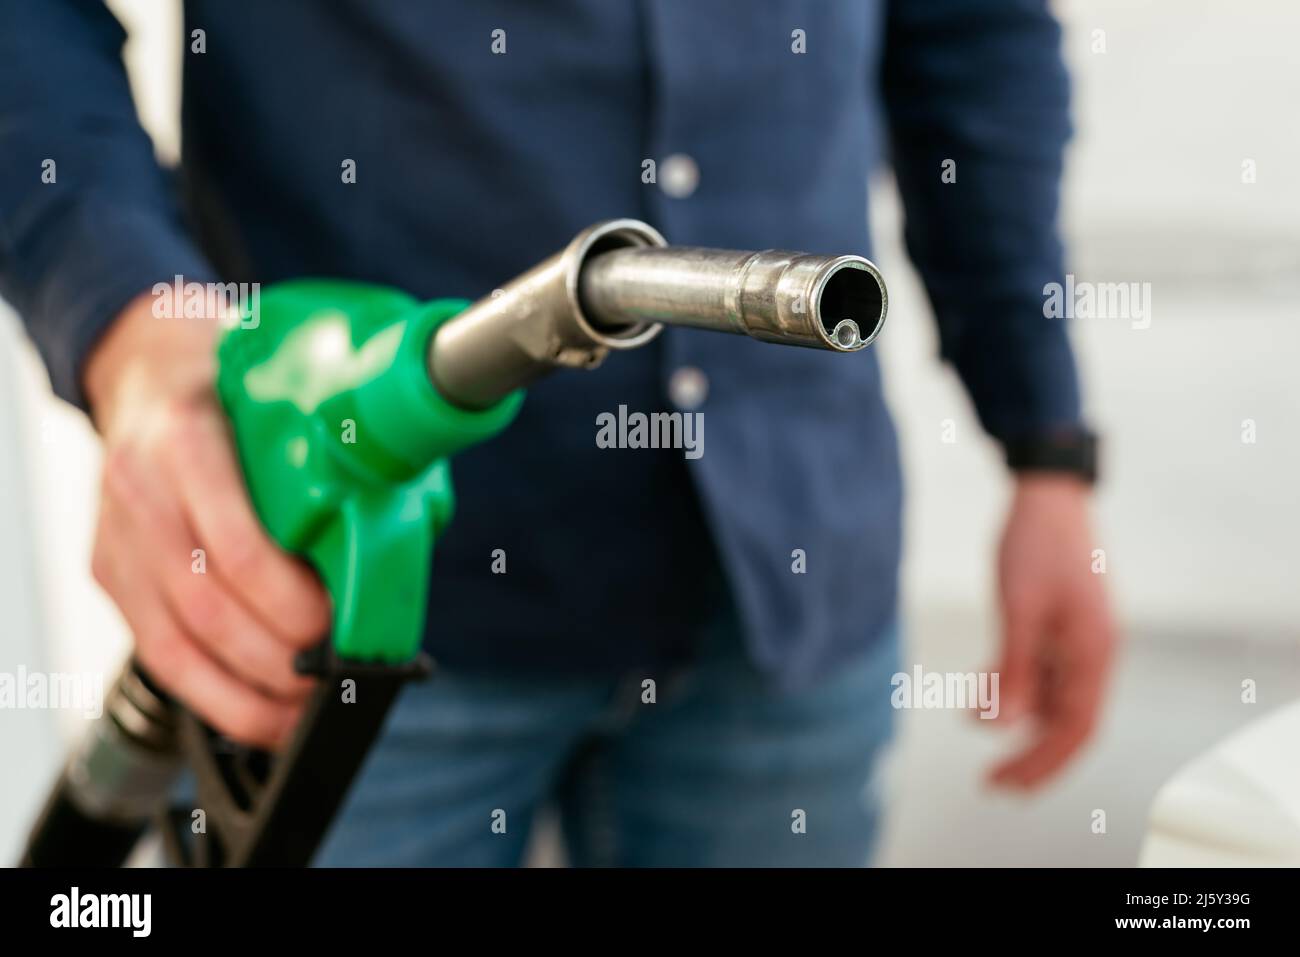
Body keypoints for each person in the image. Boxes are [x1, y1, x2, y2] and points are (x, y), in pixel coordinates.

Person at [0, 1, 1117, 866]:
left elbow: (972, 34)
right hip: (328, 626)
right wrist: (131, 325)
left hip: (784, 594)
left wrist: (1046, 446)